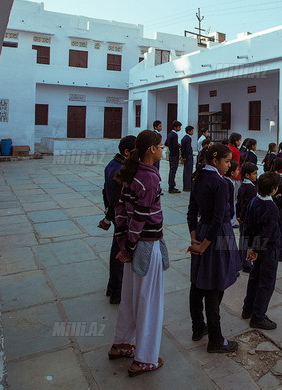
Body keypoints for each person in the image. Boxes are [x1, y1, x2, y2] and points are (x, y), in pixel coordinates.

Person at [108, 130, 169, 377]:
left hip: (132, 247)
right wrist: (130, 247)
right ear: (151, 150)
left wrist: (123, 245)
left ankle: (122, 344)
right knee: (149, 302)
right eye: (161, 146)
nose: (163, 149)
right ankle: (144, 358)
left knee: (131, 299)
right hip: (144, 246)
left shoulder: (133, 173)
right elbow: (140, 218)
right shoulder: (149, 179)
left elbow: (120, 211)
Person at [187, 143, 241, 352]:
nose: (229, 165)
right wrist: (204, 246)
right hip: (217, 236)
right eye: (227, 161)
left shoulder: (198, 177)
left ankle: (198, 327)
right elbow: (220, 218)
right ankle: (216, 339)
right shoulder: (221, 183)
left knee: (199, 282)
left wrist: (195, 239)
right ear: (216, 161)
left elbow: (192, 213)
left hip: (202, 232)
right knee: (214, 286)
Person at [241, 172, 282, 330]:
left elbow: (248, 226)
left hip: (256, 247)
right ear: (273, 190)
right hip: (268, 249)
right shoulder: (271, 208)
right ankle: (258, 316)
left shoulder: (254, 201)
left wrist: (251, 247)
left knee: (254, 278)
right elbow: (267, 232)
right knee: (266, 282)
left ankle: (248, 308)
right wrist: (256, 249)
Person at [100, 134, 136, 305]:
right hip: (119, 216)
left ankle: (112, 287)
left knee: (117, 249)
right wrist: (109, 216)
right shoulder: (120, 170)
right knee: (120, 252)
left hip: (114, 214)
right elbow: (115, 197)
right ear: (127, 152)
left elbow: (104, 192)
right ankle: (116, 291)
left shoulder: (111, 164)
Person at [236, 162, 259, 272]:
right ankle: (246, 263)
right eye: (254, 174)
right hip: (247, 219)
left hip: (242, 218)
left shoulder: (242, 186)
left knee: (243, 239)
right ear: (247, 175)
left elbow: (239, 203)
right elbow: (247, 205)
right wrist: (244, 217)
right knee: (248, 241)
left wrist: (239, 215)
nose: (256, 176)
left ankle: (241, 260)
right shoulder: (251, 188)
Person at [165, 121, 182, 193]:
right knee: (173, 171)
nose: (180, 128)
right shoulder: (174, 135)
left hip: (171, 154)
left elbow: (166, 143)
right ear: (175, 127)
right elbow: (175, 146)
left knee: (171, 170)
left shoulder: (169, 134)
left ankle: (171, 185)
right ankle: (171, 186)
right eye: (179, 127)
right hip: (175, 154)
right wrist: (179, 145)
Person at [180, 126, 195, 192]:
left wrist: (183, 156)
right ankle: (188, 186)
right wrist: (185, 156)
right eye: (192, 131)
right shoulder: (188, 138)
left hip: (186, 156)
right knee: (188, 171)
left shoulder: (184, 138)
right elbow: (187, 149)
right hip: (188, 156)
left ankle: (186, 186)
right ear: (189, 131)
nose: (193, 132)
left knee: (186, 171)